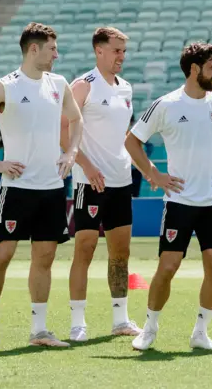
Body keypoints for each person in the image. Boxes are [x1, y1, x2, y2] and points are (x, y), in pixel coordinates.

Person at [0, 22, 84, 349]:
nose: (56, 55)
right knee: (3, 254)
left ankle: (39, 330)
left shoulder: (59, 84)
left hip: (51, 190)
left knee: (44, 257)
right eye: (52, 49)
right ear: (34, 49)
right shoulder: (5, 86)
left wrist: (71, 152)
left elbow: (76, 119)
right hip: (15, 189)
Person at [125, 42, 212, 351]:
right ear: (195, 69)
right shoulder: (166, 104)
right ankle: (150, 329)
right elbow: (132, 142)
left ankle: (200, 332)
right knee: (167, 267)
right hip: (179, 202)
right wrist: (153, 173)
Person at [60, 27, 141, 341]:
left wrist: (139, 167)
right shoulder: (82, 86)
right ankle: (77, 322)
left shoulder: (126, 88)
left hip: (120, 180)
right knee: (85, 249)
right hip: (88, 182)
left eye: (124, 50)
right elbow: (62, 132)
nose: (122, 56)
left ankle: (120, 319)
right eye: (116, 50)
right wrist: (86, 165)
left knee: (121, 253)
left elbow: (119, 135)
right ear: (99, 51)